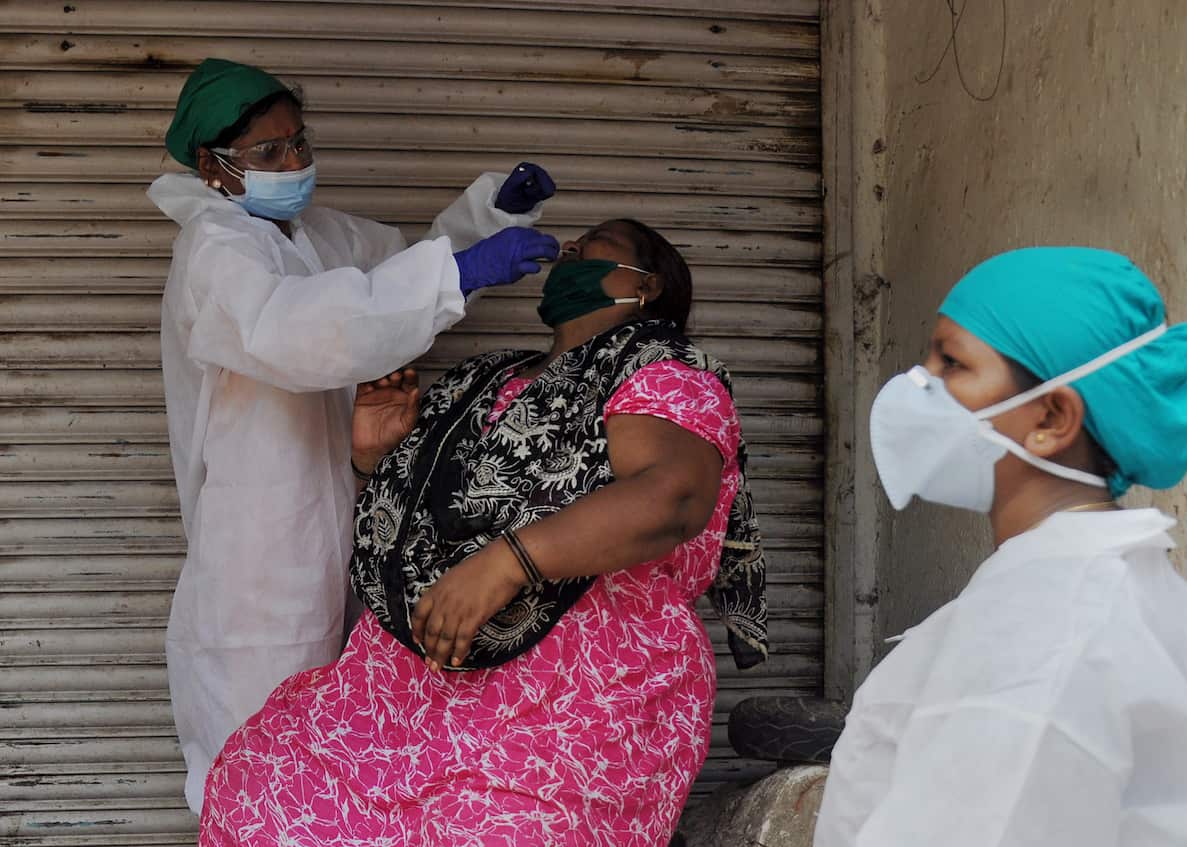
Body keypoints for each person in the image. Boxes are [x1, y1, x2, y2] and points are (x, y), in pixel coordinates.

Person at [198, 219, 769, 845]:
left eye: (597, 243)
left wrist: (506, 566)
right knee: (261, 790)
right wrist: (376, 457)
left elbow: (673, 498)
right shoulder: (487, 377)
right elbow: (430, 530)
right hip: (411, 687)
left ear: (647, 283)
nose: (572, 252)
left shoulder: (665, 370)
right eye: (569, 248)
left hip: (572, 694)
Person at [150, 57, 561, 812]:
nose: (295, 163)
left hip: (336, 527)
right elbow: (302, 332)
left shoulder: (312, 233)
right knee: (255, 764)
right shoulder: (217, 249)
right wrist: (458, 276)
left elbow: (394, 273)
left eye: (299, 142)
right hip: (259, 566)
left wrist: (489, 219)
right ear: (212, 166)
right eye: (269, 153)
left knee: (331, 764)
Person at [814, 247, 1187, 845]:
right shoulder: (1134, 599)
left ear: (1052, 418)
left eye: (952, 362)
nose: (917, 383)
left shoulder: (1045, 632)